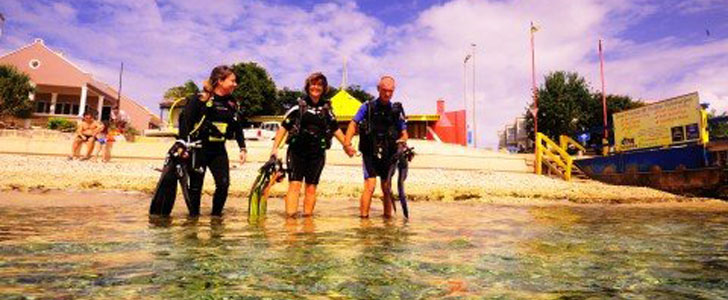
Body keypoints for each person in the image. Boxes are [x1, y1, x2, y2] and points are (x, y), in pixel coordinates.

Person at [270, 72, 356, 218]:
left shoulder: (327, 109)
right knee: (295, 185)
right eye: (313, 84)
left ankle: (308, 221)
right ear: (308, 86)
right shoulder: (298, 107)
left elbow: (335, 129)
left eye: (319, 85)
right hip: (297, 151)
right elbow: (283, 127)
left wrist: (347, 146)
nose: (316, 87)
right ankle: (291, 221)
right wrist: (274, 149)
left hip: (317, 153)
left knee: (311, 187)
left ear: (324, 88)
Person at [178, 65, 247, 216]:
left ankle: (216, 219)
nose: (235, 84)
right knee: (195, 187)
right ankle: (193, 219)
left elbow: (237, 126)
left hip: (218, 150)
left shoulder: (232, 103)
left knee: (223, 185)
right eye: (232, 81)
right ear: (220, 81)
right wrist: (183, 145)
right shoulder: (200, 99)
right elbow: (185, 122)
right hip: (198, 149)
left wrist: (242, 148)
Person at [344, 76, 408, 218]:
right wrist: (347, 143)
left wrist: (402, 143)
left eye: (390, 91)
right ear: (378, 89)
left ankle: (387, 221)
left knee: (387, 188)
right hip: (370, 152)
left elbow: (404, 134)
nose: (387, 94)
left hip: (389, 154)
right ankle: (364, 221)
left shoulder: (396, 110)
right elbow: (353, 124)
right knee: (370, 186)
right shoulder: (367, 107)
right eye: (384, 90)